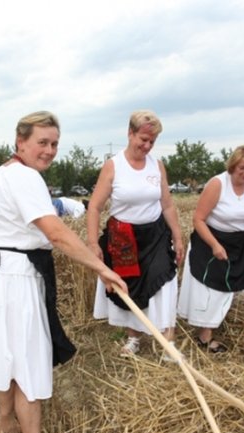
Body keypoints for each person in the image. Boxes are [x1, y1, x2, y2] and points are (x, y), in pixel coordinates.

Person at [0, 111, 127, 433]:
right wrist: (102, 269)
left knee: (7, 354)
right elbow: (56, 233)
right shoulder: (25, 178)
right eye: (42, 142)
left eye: (54, 144)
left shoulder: (3, 173)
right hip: (14, 280)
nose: (49, 151)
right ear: (20, 142)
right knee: (28, 361)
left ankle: (5, 423)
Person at [86, 110, 184, 357]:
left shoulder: (156, 165)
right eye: (143, 139)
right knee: (132, 287)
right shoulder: (113, 166)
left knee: (166, 282)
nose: (147, 146)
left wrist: (178, 236)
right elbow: (95, 207)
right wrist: (91, 242)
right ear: (130, 134)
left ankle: (168, 342)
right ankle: (133, 339)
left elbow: (168, 204)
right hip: (124, 239)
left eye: (152, 141)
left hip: (156, 235)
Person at [177, 145, 244, 352]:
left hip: (237, 243)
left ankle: (219, 325)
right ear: (233, 165)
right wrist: (214, 245)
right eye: (242, 169)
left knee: (233, 287)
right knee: (211, 289)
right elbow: (198, 219)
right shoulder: (217, 184)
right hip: (209, 240)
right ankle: (205, 337)